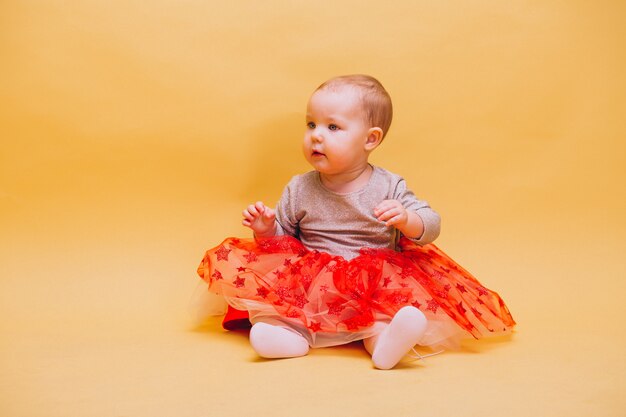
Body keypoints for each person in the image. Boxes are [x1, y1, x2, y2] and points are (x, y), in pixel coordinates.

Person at [197, 74, 515, 369]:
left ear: (370, 139)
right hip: (314, 282)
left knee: (378, 317)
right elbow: (281, 245)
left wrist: (407, 220)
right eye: (311, 125)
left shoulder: (389, 186)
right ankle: (286, 337)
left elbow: (431, 225)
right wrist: (266, 229)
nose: (316, 136)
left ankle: (384, 343)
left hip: (372, 283)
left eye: (332, 127)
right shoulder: (299, 188)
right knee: (288, 310)